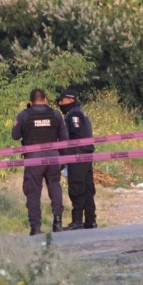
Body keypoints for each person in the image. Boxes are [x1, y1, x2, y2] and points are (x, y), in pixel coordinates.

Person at [12, 88, 68, 236]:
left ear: (30, 102)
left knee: (33, 193)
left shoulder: (24, 115)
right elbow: (64, 139)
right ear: (45, 100)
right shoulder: (56, 114)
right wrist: (61, 160)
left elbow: (15, 136)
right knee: (55, 187)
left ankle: (35, 228)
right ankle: (57, 223)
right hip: (53, 158)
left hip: (34, 159)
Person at [57, 89, 97, 230]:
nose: (59, 104)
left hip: (78, 153)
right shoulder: (79, 112)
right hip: (85, 153)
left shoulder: (73, 114)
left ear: (68, 100)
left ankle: (77, 220)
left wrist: (66, 153)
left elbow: (75, 136)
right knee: (87, 186)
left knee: (77, 185)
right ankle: (90, 220)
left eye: (61, 101)